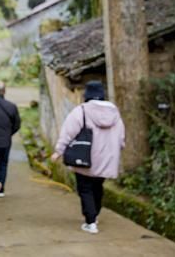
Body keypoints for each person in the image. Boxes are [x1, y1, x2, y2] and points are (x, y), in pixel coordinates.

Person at [51, 81, 125, 235]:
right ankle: (95, 215)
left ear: (87, 95)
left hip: (85, 158)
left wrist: (58, 151)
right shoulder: (115, 113)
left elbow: (67, 133)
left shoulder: (81, 111)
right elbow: (121, 137)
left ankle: (90, 222)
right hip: (106, 159)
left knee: (85, 189)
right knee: (97, 186)